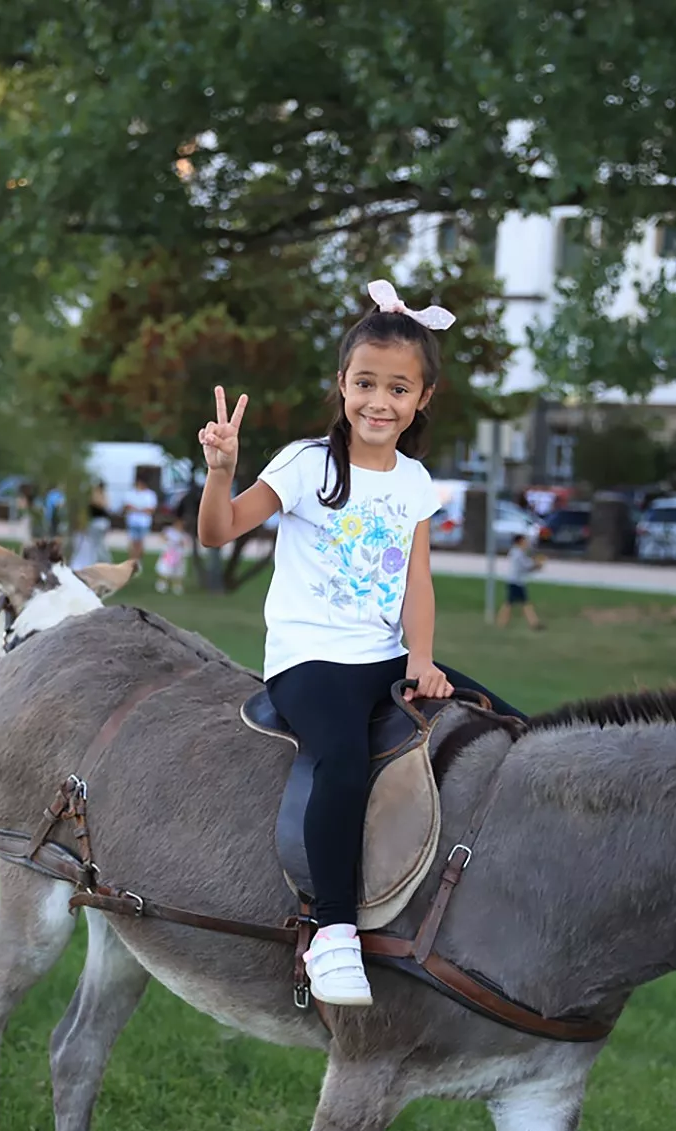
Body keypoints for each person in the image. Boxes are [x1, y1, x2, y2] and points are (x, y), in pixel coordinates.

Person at [196, 278, 522, 1007]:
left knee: (508, 726)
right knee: (342, 758)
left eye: (398, 389)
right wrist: (220, 473)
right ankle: (333, 931)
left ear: (422, 399)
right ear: (341, 384)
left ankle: (499, 886)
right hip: (311, 661)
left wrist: (421, 659)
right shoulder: (306, 464)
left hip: (383, 659)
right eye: (365, 383)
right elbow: (218, 532)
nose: (379, 402)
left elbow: (417, 581)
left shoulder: (413, 481)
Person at [497, 530, 545, 630]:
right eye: (524, 541)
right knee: (510, 603)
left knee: (522, 603)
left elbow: (526, 566)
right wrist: (537, 565)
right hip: (515, 582)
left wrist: (535, 565)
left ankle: (534, 623)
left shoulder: (518, 553)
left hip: (517, 582)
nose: (526, 543)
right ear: (519, 542)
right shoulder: (517, 553)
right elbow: (525, 566)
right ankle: (502, 622)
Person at [124, 474, 159, 564]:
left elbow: (150, 509)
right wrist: (141, 509)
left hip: (144, 522)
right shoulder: (131, 493)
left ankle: (138, 561)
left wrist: (136, 509)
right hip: (132, 521)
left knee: (140, 543)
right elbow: (127, 506)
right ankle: (131, 561)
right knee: (132, 543)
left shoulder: (150, 494)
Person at [155, 516, 190, 594]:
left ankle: (177, 586)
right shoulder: (169, 531)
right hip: (168, 554)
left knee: (178, 571)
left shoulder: (184, 534)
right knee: (165, 570)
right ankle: (162, 584)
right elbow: (162, 537)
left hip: (179, 555)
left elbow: (186, 543)